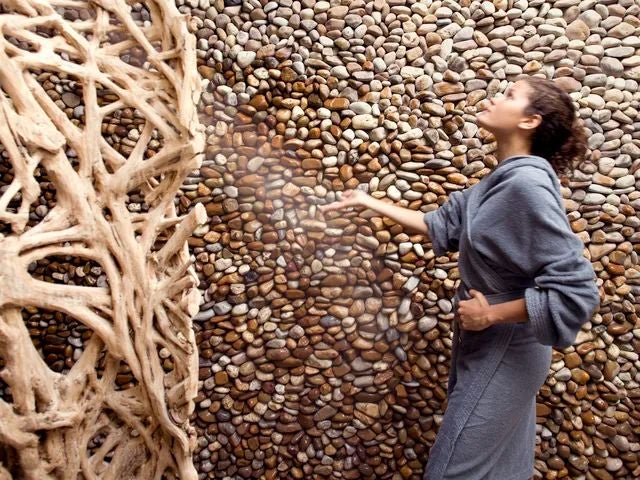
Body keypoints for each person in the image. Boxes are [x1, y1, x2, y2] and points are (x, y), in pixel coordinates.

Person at [319, 75, 601, 480]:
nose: (494, 97)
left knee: (452, 471)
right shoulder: (500, 181)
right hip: (485, 343)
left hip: (508, 348)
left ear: (529, 121)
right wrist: (368, 202)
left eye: (509, 95)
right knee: (501, 470)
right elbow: (440, 225)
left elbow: (578, 290)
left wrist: (493, 315)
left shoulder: (526, 184)